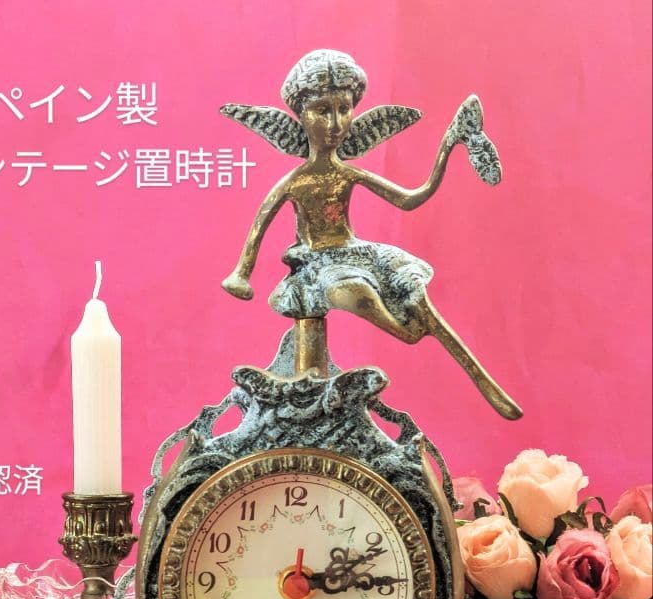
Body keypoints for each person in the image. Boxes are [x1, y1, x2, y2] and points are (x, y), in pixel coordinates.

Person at [221, 50, 521, 420]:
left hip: (357, 252)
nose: (335, 123)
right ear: (300, 116)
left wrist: (447, 149)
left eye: (343, 109)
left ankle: (436, 340)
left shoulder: (349, 174)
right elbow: (260, 226)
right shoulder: (296, 182)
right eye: (322, 110)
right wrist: (242, 273)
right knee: (355, 292)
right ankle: (408, 329)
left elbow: (410, 198)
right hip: (317, 263)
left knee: (410, 285)